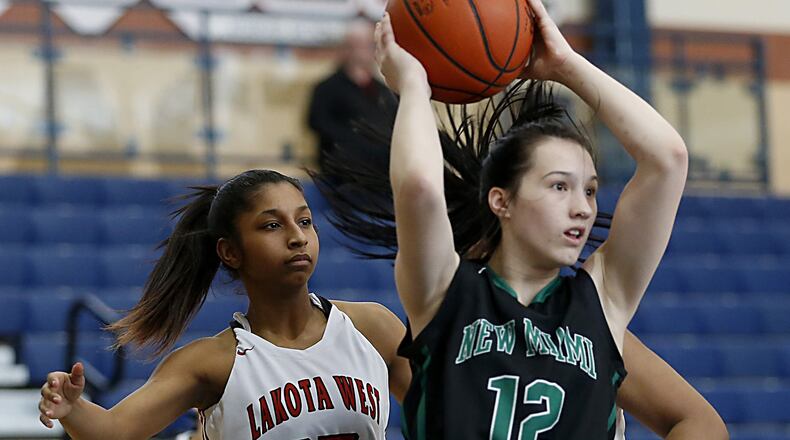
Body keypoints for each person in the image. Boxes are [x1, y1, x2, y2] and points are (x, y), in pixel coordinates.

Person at [313, 0, 691, 436]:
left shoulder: (602, 303)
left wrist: (566, 64)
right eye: (559, 186)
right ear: (501, 201)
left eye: (589, 189)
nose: (584, 207)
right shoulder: (446, 293)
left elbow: (668, 158)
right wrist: (414, 86)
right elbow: (419, 185)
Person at [36, 169, 410, 440]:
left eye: (305, 221)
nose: (298, 237)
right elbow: (115, 432)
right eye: (272, 226)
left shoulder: (372, 327)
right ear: (230, 252)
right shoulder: (209, 363)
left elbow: (445, 410)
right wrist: (74, 409)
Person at [308, 18, 398, 171]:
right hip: (341, 174)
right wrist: (355, 142)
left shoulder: (384, 91)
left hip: (379, 175)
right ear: (346, 48)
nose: (365, 50)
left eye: (368, 45)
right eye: (358, 45)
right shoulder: (327, 88)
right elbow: (316, 122)